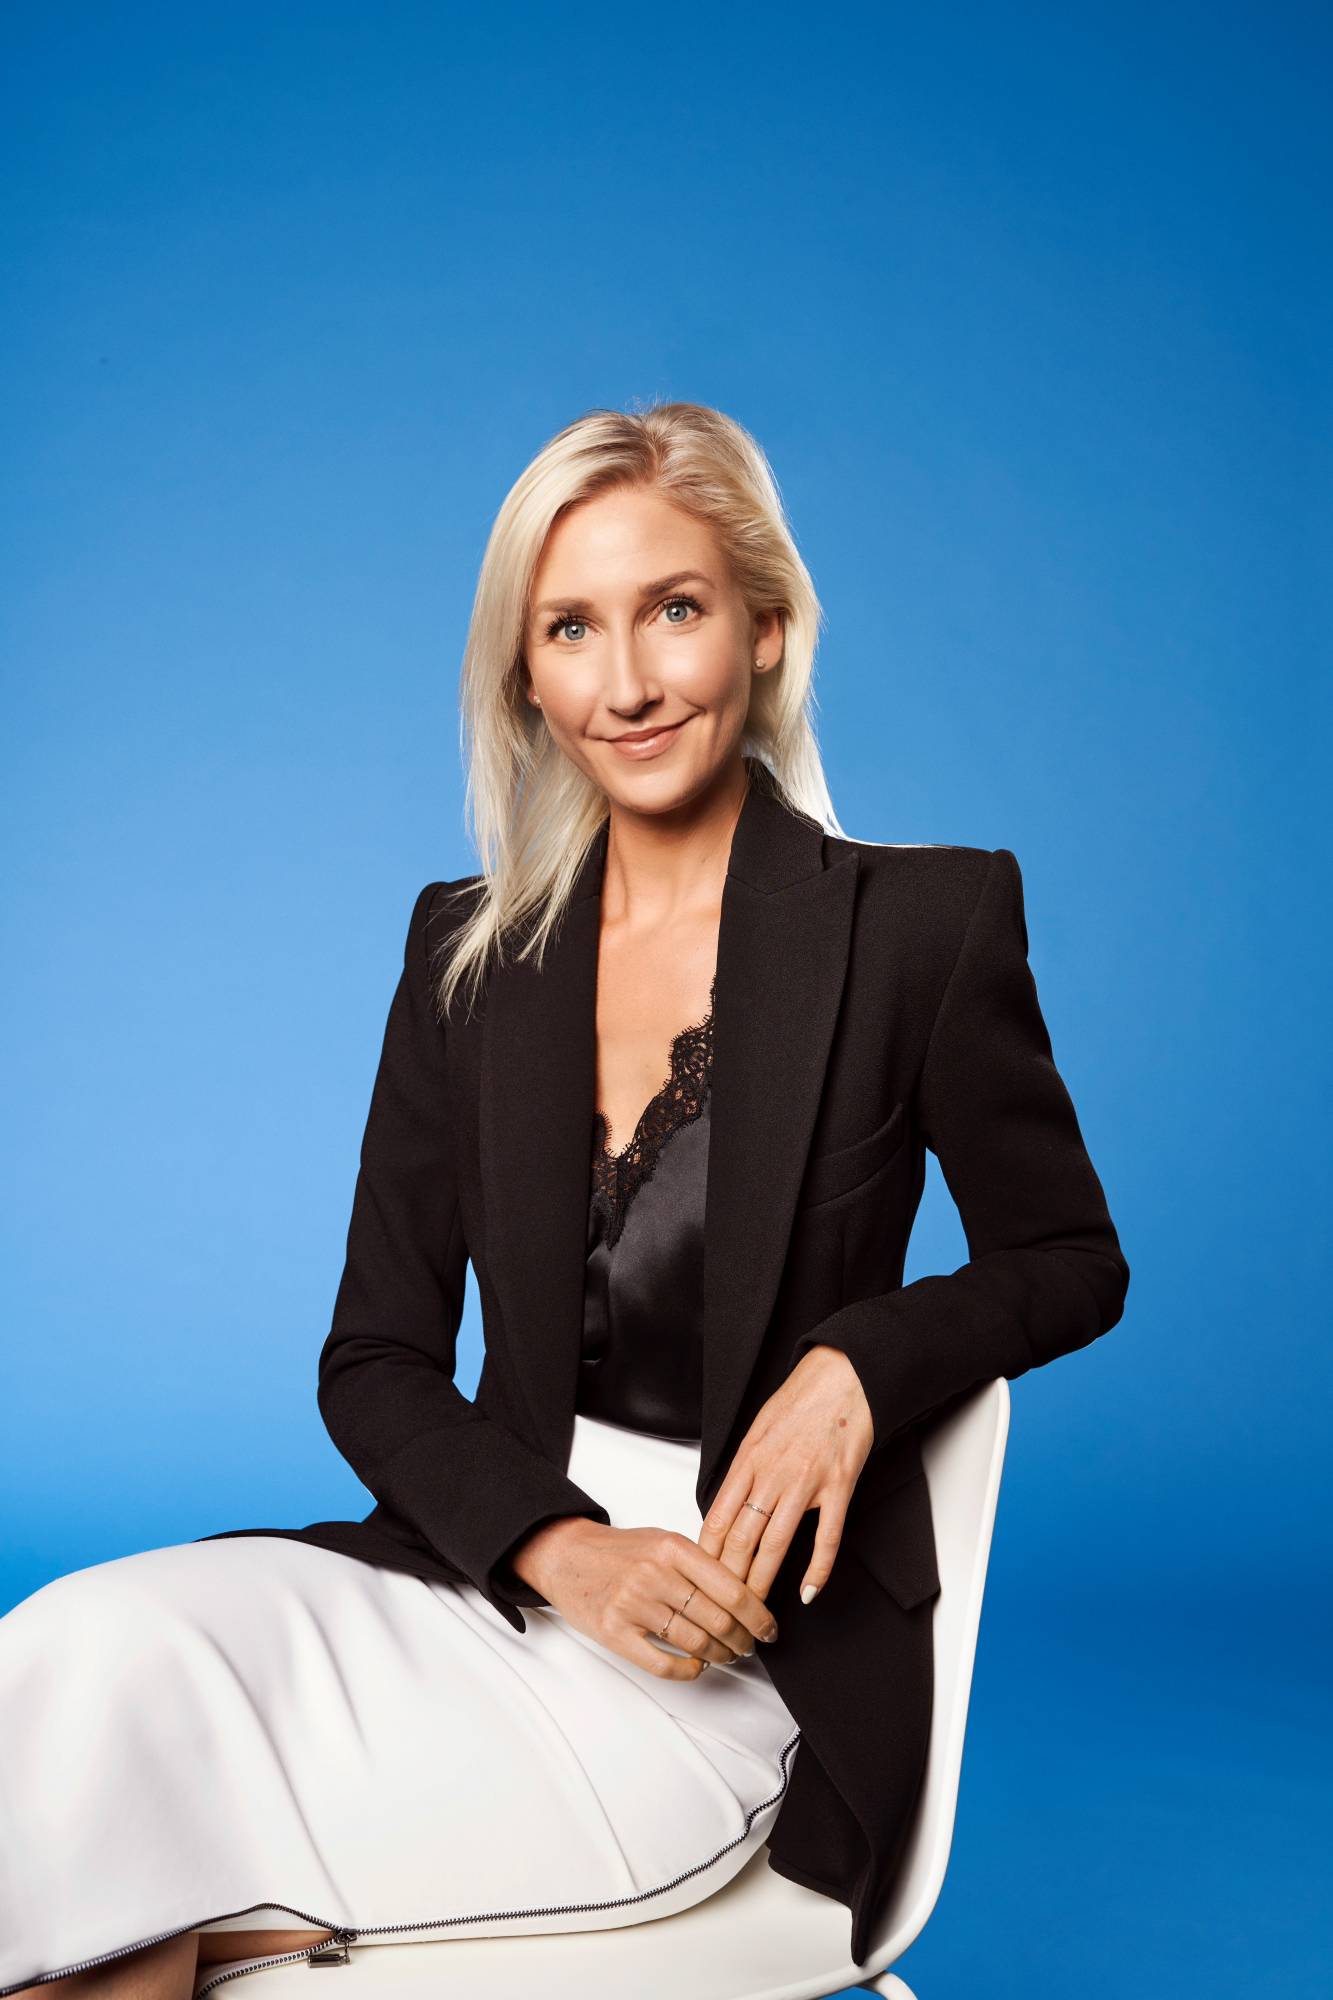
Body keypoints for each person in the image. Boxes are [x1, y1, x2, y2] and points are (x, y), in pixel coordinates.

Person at [0, 401, 1129, 1998]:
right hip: (488, 1580)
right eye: (571, 628)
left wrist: (859, 1363)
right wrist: (554, 1549)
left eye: (673, 609)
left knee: (113, 1895)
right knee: (79, 1653)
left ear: (763, 628)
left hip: (744, 1652)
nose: (627, 682)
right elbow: (374, 1361)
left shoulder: (919, 925)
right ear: (523, 674)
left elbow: (1068, 1259)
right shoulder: (463, 953)